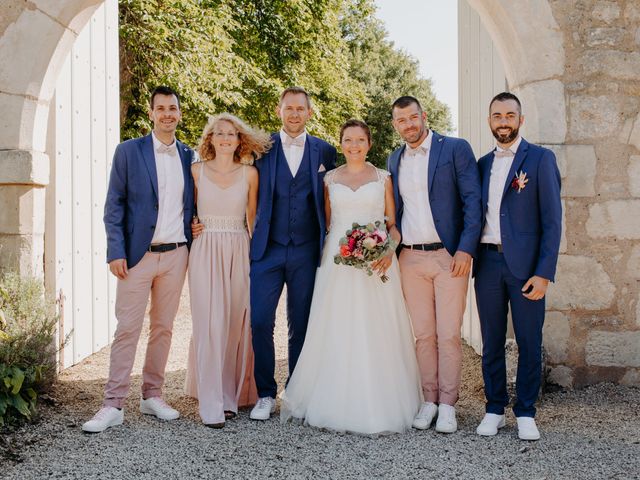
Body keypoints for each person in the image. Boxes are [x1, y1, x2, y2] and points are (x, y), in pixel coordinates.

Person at [280, 119, 421, 435]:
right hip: (337, 263)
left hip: (377, 263)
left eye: (360, 140)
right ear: (341, 143)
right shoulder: (329, 179)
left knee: (377, 328)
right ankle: (331, 398)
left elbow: (393, 225)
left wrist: (387, 250)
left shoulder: (383, 178)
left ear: (369, 143)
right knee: (336, 326)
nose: (354, 145)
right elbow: (328, 224)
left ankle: (381, 399)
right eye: (348, 140)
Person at [83, 86, 194, 433]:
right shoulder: (128, 152)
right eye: (160, 108)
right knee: (127, 329)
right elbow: (113, 204)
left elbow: (195, 203)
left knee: (163, 328)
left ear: (179, 113)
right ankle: (113, 403)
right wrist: (115, 250)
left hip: (176, 254)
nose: (167, 114)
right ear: (151, 113)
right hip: (136, 257)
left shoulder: (190, 157)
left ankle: (152, 395)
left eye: (172, 108)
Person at [387, 96, 482, 433]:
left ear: (423, 116)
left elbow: (474, 201)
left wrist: (466, 249)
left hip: (448, 256)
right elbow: (392, 212)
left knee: (449, 335)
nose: (408, 125)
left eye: (413, 118)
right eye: (401, 120)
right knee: (424, 335)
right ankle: (428, 400)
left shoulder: (454, 149)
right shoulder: (394, 159)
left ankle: (448, 405)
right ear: (396, 125)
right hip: (410, 258)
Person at [474, 92, 561, 441]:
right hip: (488, 263)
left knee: (528, 339)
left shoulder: (540, 159)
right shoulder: (481, 165)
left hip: (526, 268)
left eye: (510, 115)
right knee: (491, 341)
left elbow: (553, 222)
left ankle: (525, 411)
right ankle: (494, 407)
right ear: (490, 121)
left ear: (521, 120)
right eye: (497, 115)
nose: (504, 121)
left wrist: (543, 273)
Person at [248, 87, 337, 421]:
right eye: (289, 108)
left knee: (300, 324)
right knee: (259, 321)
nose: (295, 114)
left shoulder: (326, 151)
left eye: (301, 108)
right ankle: (265, 393)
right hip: (267, 251)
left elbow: (333, 199)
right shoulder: (261, 148)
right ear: (279, 110)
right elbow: (248, 194)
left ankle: (297, 392)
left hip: (305, 251)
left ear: (309, 113)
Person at [185, 113, 270, 427]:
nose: (224, 138)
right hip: (205, 248)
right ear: (209, 138)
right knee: (209, 322)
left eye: (231, 134)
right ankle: (210, 403)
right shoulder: (195, 171)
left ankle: (228, 396)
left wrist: (256, 260)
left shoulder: (250, 174)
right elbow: (187, 212)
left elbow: (252, 221)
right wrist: (192, 225)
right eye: (218, 133)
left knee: (235, 324)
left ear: (239, 141)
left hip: (238, 247)